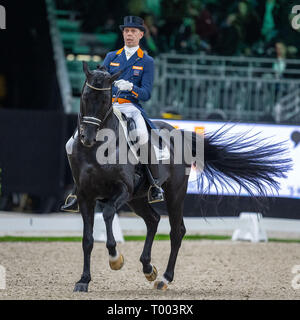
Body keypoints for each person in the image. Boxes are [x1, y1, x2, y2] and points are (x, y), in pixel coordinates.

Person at [61, 16, 164, 213]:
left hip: (130, 106)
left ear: (141, 35)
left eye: (133, 31)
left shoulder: (146, 61)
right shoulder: (111, 57)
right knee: (69, 144)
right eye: (126, 31)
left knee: (142, 136)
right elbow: (99, 80)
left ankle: (154, 184)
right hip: (107, 107)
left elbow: (147, 93)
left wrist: (132, 87)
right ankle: (77, 190)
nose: (129, 34)